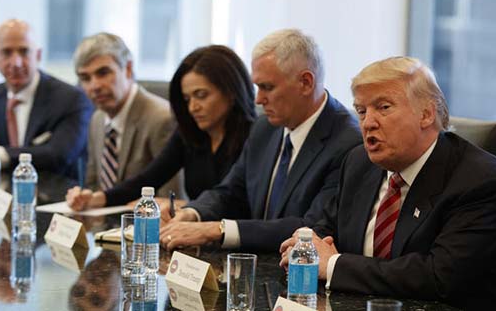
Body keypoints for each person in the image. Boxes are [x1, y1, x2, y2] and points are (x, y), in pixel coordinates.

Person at [279, 56, 496, 310]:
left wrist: (332, 264)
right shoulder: (358, 162)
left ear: (426, 114)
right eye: (361, 111)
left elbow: (438, 277)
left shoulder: (479, 180)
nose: (368, 123)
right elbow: (323, 231)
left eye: (383, 107)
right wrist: (305, 245)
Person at [160, 29, 361, 251]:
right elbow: (230, 190)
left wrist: (217, 229)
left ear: (305, 82)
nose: (258, 99)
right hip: (255, 268)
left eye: (267, 87)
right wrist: (192, 213)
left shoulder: (348, 144)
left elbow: (310, 228)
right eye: (257, 87)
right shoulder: (264, 128)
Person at [66, 45, 256, 212]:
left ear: (231, 92)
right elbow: (147, 179)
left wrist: (187, 207)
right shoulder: (189, 133)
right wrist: (96, 198)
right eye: (187, 99)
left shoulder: (256, 137)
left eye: (201, 95)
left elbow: (239, 203)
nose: (193, 107)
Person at [0, 19, 92, 177]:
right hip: (5, 196)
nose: (16, 62)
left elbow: (58, 155)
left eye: (24, 51)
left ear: (38, 55)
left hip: (57, 198)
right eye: (7, 53)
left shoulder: (71, 98)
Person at [66, 32, 178, 199]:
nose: (94, 86)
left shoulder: (161, 118)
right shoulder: (97, 119)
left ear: (128, 69)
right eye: (85, 78)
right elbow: (94, 186)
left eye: (103, 73)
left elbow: (171, 201)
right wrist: (85, 198)